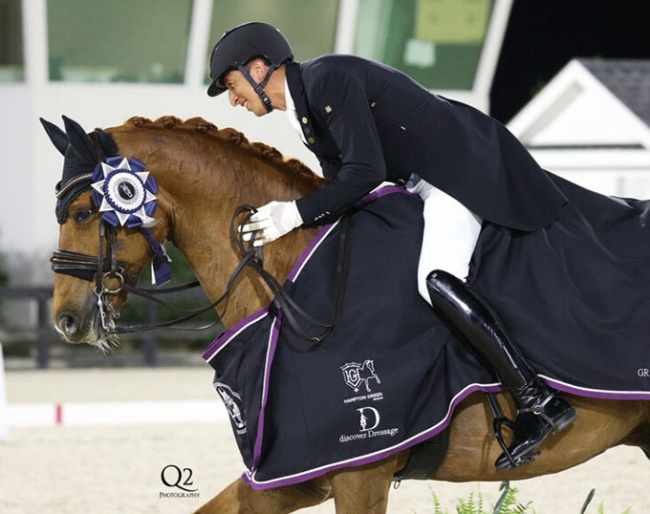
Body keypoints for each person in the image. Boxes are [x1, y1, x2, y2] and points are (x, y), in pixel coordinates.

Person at [206, 21, 577, 471]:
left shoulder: (327, 80)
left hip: (455, 174)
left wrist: (294, 215)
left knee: (434, 281)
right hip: (418, 185)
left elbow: (362, 173)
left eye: (232, 85)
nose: (233, 99)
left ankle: (538, 399)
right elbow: (344, 187)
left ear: (260, 68)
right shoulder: (304, 109)